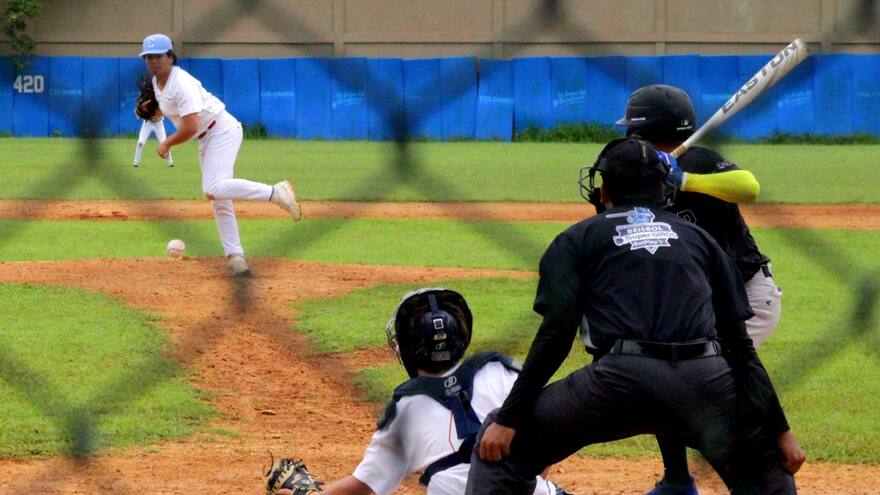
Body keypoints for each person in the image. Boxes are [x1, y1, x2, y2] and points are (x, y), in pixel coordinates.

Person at [465, 138, 797, 494]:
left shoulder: (578, 238)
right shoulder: (700, 239)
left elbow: (555, 336)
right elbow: (740, 349)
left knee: (500, 449)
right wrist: (780, 431)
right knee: (767, 470)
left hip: (617, 384)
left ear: (604, 190)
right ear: (663, 189)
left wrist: (509, 418)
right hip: (704, 383)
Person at [607, 84, 803, 495]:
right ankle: (678, 480)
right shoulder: (641, 173)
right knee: (665, 372)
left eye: (631, 130)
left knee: (708, 380)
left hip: (748, 298)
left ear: (643, 131)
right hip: (696, 306)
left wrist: (685, 179)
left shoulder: (698, 161)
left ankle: (769, 457)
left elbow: (749, 187)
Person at [299, 288, 567, 495]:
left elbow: (362, 487)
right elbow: (547, 437)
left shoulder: (405, 409)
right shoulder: (501, 371)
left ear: (408, 348)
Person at [138, 33, 302, 277]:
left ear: (170, 57)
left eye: (158, 56)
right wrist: (155, 109)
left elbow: (190, 126)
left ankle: (275, 193)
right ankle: (236, 258)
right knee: (219, 199)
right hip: (207, 137)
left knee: (213, 187)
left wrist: (167, 144)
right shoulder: (157, 83)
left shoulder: (181, 83)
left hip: (221, 130)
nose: (153, 61)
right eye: (148, 57)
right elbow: (169, 108)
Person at [132, 76, 173, 168]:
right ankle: (136, 162)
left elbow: (163, 111)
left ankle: (170, 162)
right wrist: (148, 101)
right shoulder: (146, 99)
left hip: (159, 123)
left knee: (164, 142)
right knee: (140, 142)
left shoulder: (161, 98)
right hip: (148, 123)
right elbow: (141, 108)